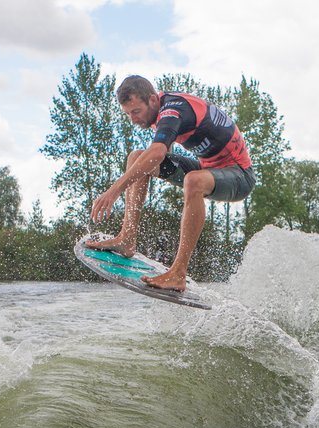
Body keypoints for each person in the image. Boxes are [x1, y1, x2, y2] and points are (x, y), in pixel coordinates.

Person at [87, 75, 256, 292]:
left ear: (153, 100)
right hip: (209, 169)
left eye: (136, 112)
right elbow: (153, 154)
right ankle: (127, 238)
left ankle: (178, 274)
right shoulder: (163, 110)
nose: (133, 120)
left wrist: (114, 191)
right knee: (137, 158)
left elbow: (158, 153)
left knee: (192, 180)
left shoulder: (173, 110)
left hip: (239, 176)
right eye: (128, 114)